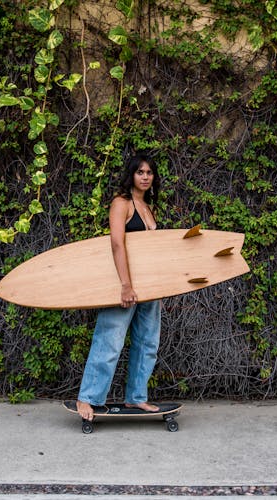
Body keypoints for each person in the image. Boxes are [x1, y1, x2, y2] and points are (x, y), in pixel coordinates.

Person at [76, 154, 162, 421]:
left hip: (149, 288)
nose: (145, 177)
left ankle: (136, 398)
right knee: (110, 340)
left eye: (149, 172)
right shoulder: (121, 203)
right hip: (123, 284)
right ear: (131, 175)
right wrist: (126, 285)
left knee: (147, 343)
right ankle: (87, 398)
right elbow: (116, 244)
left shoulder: (148, 207)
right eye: (140, 172)